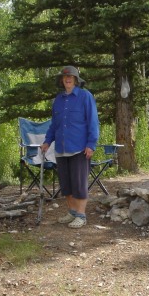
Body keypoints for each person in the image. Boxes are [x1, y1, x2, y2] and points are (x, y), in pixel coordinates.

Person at [41, 65, 100, 228]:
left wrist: (91, 144)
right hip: (61, 148)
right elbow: (54, 125)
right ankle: (72, 212)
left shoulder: (85, 96)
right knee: (66, 184)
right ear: (62, 80)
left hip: (79, 148)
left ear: (75, 80)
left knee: (79, 183)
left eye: (71, 77)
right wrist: (47, 141)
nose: (68, 79)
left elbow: (93, 122)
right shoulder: (58, 100)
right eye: (65, 77)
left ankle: (81, 215)